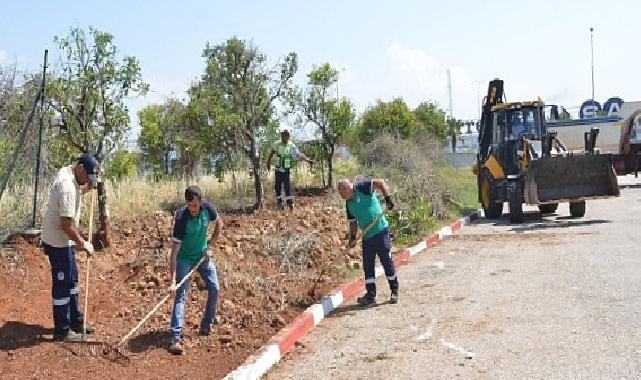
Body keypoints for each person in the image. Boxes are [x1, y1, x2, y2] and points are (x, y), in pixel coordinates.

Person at [41, 153, 99, 342]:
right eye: (87, 177)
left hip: (64, 240)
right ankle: (62, 331)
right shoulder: (67, 186)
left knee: (72, 279)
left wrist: (88, 185)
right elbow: (66, 224)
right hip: (58, 240)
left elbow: (77, 188)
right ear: (80, 167)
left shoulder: (70, 173)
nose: (87, 181)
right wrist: (84, 244)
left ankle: (76, 321)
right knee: (62, 284)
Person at [168, 186, 223, 355]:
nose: (193, 209)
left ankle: (206, 326)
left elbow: (219, 224)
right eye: (190, 205)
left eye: (195, 205)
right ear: (186, 204)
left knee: (214, 288)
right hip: (184, 258)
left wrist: (210, 245)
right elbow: (174, 253)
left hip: (202, 256)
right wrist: (172, 281)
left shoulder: (208, 209)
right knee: (180, 295)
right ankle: (175, 338)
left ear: (201, 202)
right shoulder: (181, 218)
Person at [337, 178, 399, 306]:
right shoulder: (348, 204)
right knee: (368, 266)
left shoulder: (362, 187)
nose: (342, 197)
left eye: (342, 194)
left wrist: (388, 199)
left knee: (386, 261)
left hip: (380, 230)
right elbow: (353, 222)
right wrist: (352, 239)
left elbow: (381, 182)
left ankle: (394, 290)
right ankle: (371, 295)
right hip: (367, 236)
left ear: (348, 189)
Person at [266, 130, 314, 211]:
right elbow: (271, 154)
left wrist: (308, 160)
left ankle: (290, 204)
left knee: (287, 187)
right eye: (281, 137)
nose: (282, 139)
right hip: (278, 169)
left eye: (284, 137)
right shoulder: (277, 143)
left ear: (287, 137)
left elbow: (299, 155)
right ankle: (280, 203)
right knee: (277, 187)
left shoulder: (292, 146)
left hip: (286, 170)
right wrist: (268, 163)